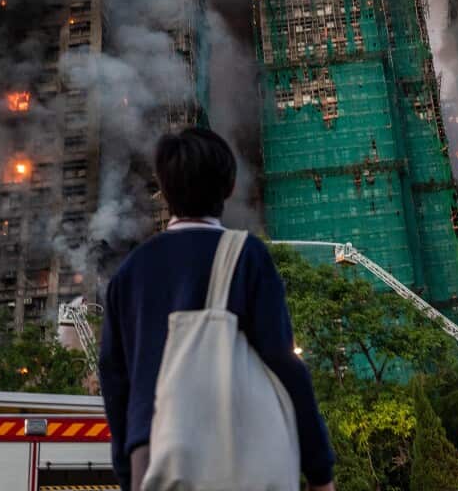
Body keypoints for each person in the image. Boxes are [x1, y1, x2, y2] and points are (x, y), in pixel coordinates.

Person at [99, 127, 336, 490]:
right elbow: (283, 362)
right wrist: (319, 469)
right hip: (238, 451)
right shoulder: (247, 256)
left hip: (152, 456)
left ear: (164, 190)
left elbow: (115, 385)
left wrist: (127, 472)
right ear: (229, 187)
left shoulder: (128, 274)